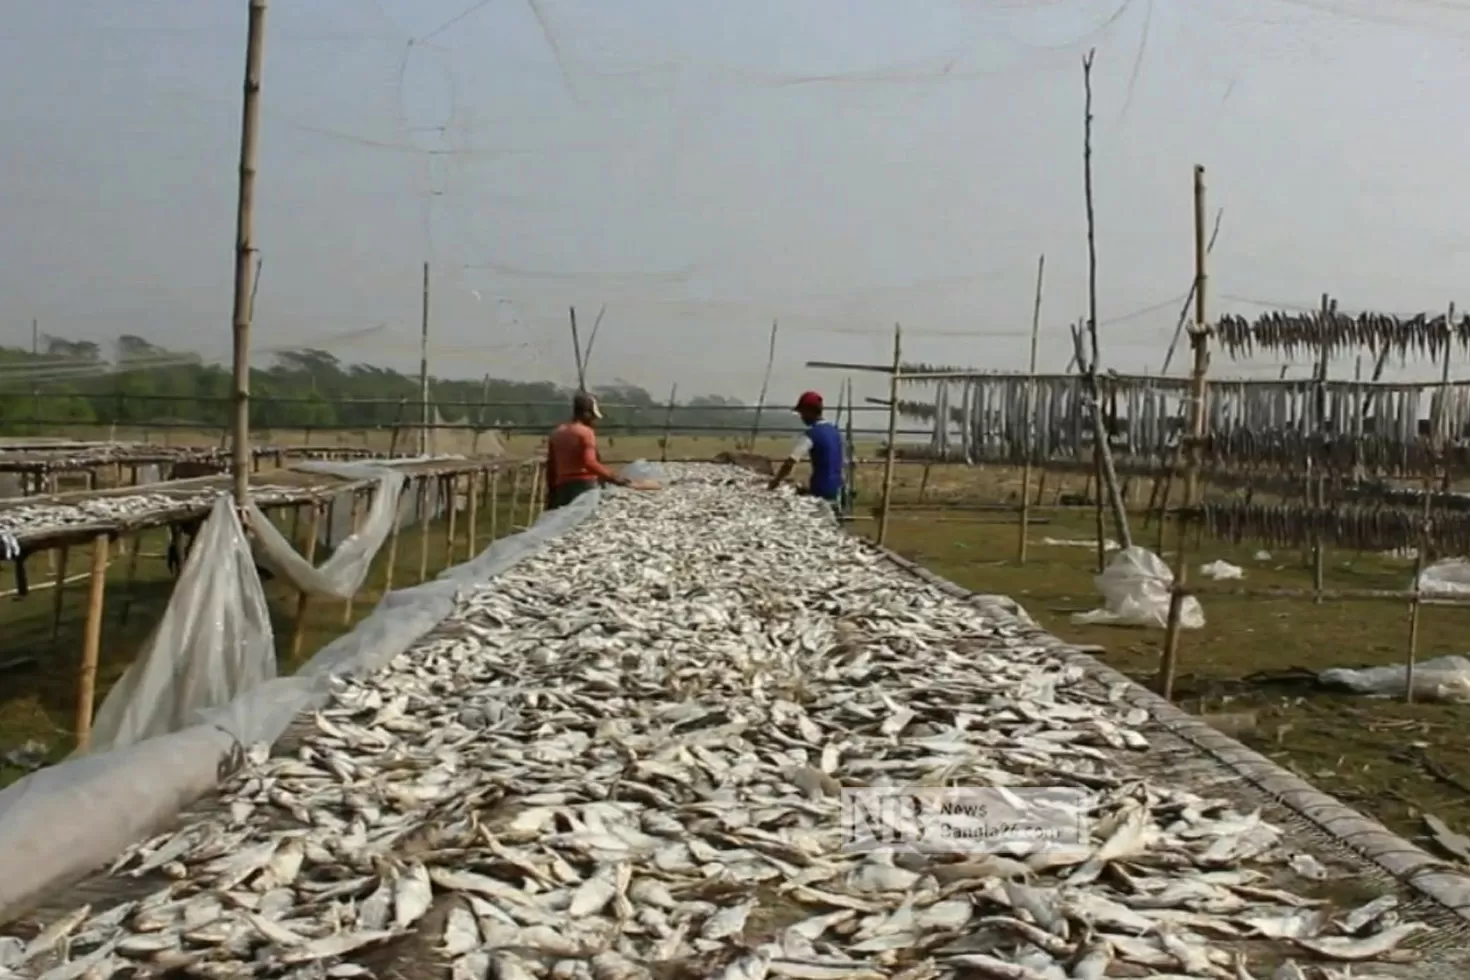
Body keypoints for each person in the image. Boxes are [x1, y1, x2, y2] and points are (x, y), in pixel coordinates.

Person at [544, 391, 636, 510]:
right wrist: (613, 477)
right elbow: (589, 463)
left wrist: (552, 493)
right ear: (586, 413)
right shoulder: (586, 433)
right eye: (592, 416)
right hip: (584, 485)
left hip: (562, 486)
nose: (593, 420)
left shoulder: (557, 433)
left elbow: (551, 466)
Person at [767, 390, 844, 505]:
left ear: (809, 411)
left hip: (821, 489)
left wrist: (775, 481)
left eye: (802, 412)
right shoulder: (835, 431)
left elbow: (791, 461)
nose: (801, 417)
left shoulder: (812, 434)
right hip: (838, 488)